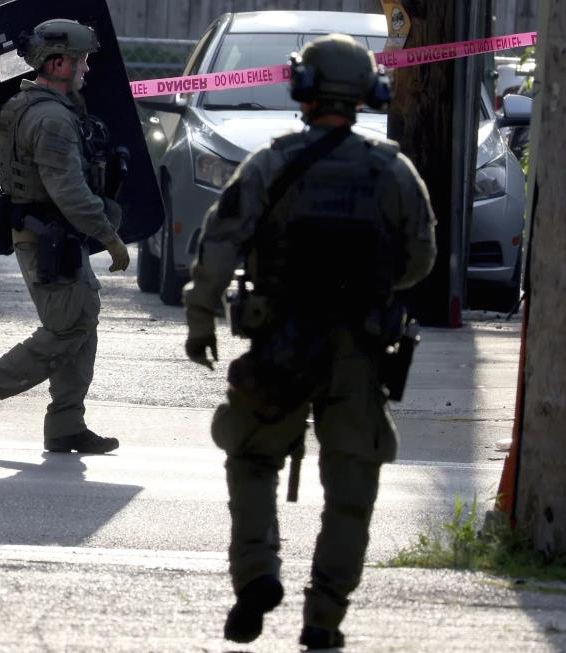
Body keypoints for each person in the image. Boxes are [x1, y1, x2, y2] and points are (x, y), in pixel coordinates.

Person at [183, 34, 437, 650]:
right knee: (351, 489)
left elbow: (219, 244)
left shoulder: (269, 163)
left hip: (279, 345)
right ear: (366, 95)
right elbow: (420, 260)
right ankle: (323, 619)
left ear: (302, 89)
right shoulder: (393, 170)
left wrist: (200, 318)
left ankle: (256, 574)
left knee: (250, 458)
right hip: (359, 351)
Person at [0, 19, 130, 454]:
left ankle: (67, 424)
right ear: (56, 62)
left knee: (81, 324)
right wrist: (110, 237)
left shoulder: (38, 104)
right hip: (49, 236)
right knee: (68, 327)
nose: (87, 67)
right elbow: (67, 189)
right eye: (80, 60)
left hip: (54, 235)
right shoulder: (50, 118)